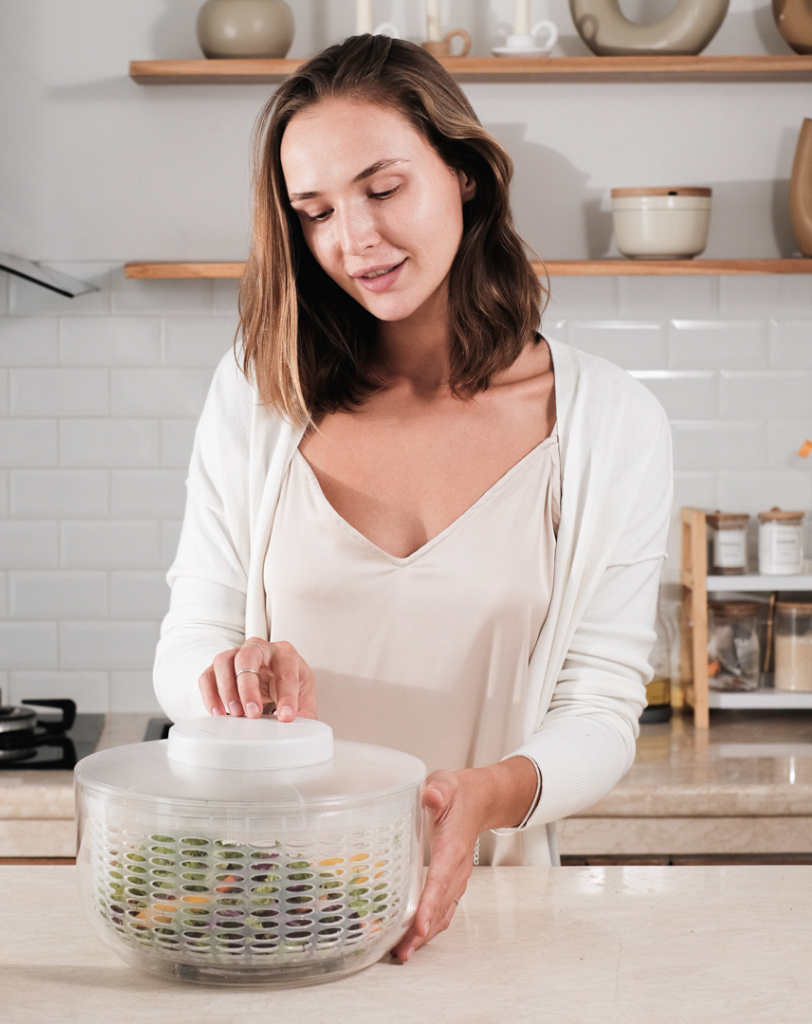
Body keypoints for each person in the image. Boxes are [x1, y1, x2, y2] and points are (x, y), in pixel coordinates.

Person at [153, 35, 672, 962]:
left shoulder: (610, 424)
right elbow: (187, 641)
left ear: (464, 173)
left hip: (495, 924)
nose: (352, 241)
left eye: (382, 189)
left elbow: (600, 708)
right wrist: (229, 675)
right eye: (314, 212)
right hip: (270, 909)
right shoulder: (260, 394)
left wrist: (488, 795)